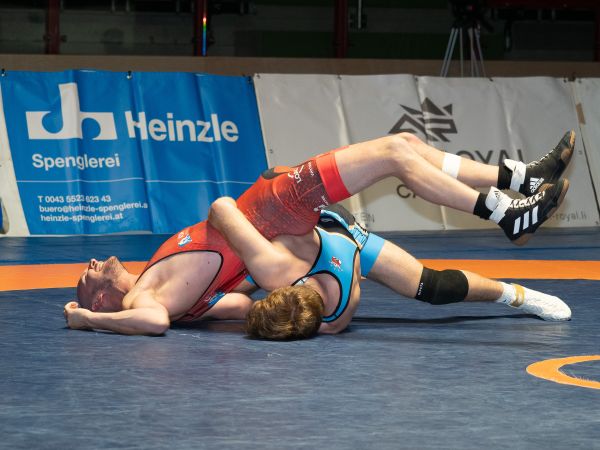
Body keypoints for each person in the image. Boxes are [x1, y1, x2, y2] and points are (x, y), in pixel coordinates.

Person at [64, 131, 574, 335]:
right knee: (395, 153)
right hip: (279, 210)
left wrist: (238, 304)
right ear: (105, 301)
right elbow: (155, 321)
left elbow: (236, 306)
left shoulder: (169, 288)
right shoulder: (146, 299)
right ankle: (506, 213)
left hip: (302, 228)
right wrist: (85, 320)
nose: (88, 267)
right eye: (85, 282)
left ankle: (521, 179)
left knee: (404, 146)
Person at [207, 199, 571, 340]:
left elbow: (223, 208)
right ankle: (515, 295)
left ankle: (514, 293)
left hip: (337, 231)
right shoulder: (336, 315)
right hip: (335, 246)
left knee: (430, 284)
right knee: (433, 289)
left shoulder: (270, 270)